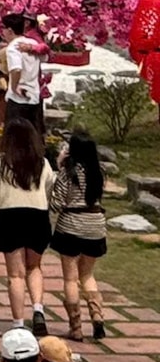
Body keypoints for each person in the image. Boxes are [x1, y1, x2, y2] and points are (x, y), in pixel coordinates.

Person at [0, 117, 55, 336]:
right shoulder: (41, 162)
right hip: (37, 216)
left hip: (10, 216)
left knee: (15, 275)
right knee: (35, 267)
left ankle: (18, 324)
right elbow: (50, 185)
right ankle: (38, 308)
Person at [48, 130, 109, 341]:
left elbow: (56, 203)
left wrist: (58, 168)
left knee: (70, 279)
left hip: (71, 227)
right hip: (95, 226)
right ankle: (98, 317)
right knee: (88, 276)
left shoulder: (68, 172)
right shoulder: (99, 171)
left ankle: (76, 327)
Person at [1, 13, 48, 134]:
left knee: (15, 135)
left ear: (10, 30)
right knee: (33, 134)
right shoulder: (31, 43)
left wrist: (13, 87)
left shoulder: (13, 48)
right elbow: (45, 57)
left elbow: (16, 69)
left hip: (18, 98)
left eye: (3, 28)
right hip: (34, 95)